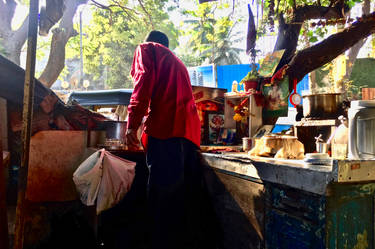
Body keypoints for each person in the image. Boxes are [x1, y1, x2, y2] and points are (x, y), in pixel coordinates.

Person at [126, 30, 207, 249]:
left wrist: (132, 125)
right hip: (188, 135)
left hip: (166, 131)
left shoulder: (147, 50)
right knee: (180, 200)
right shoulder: (177, 64)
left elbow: (141, 87)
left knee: (162, 199)